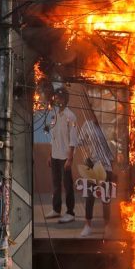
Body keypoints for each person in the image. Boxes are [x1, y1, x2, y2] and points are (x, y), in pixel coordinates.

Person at [44, 87, 79, 224]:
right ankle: (56, 209)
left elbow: (73, 138)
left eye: (58, 98)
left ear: (64, 99)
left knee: (67, 185)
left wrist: (70, 158)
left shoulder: (71, 116)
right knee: (56, 184)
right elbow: (53, 137)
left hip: (65, 157)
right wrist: (49, 155)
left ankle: (70, 212)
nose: (56, 100)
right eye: (55, 98)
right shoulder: (55, 116)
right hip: (55, 155)